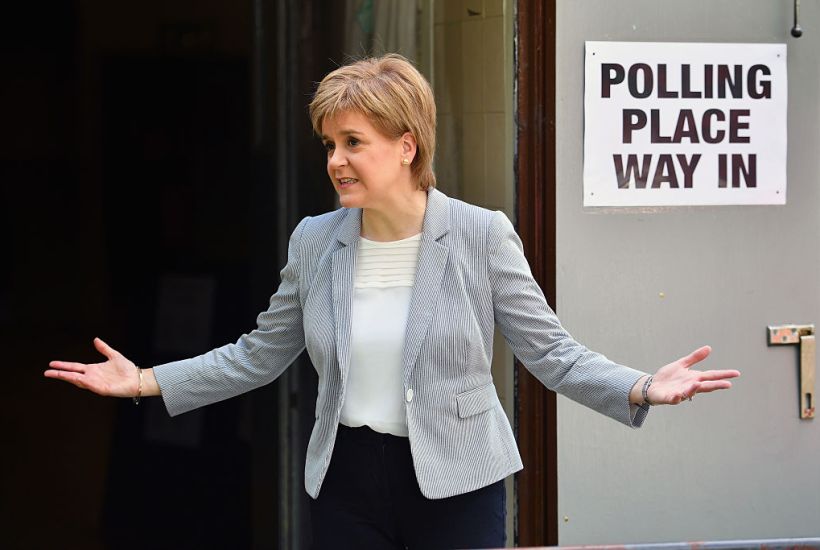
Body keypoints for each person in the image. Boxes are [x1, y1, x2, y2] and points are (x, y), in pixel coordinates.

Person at [45, 54, 740, 549]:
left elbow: (550, 353)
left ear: (407, 146)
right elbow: (259, 354)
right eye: (329, 144)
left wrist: (641, 387)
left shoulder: (481, 234)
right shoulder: (315, 240)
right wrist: (145, 381)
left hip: (458, 481)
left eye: (354, 142)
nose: (335, 160)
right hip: (345, 481)